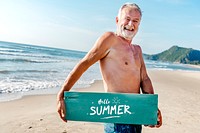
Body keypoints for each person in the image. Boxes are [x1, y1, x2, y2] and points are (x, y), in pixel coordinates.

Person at [57, 2, 162, 133]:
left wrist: (150, 108)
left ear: (139, 24)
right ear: (117, 20)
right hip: (115, 115)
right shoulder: (110, 39)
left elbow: (144, 79)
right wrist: (62, 93)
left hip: (134, 114)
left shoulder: (137, 50)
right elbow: (84, 64)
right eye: (127, 19)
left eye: (135, 21)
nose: (131, 24)